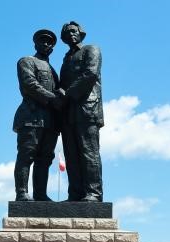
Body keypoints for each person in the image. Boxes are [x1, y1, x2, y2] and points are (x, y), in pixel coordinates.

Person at [13, 29, 60, 201]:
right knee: (27, 155)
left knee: (45, 158)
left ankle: (40, 194)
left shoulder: (54, 70)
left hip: (50, 122)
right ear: (35, 43)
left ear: (53, 48)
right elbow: (29, 85)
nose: (46, 44)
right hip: (31, 117)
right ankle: (22, 193)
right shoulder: (27, 61)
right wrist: (53, 98)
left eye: (49, 42)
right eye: (42, 41)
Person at [58, 21, 104, 202]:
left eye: (73, 31)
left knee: (89, 152)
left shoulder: (91, 50)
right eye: (67, 32)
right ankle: (75, 194)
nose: (71, 34)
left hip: (87, 109)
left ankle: (94, 193)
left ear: (81, 33)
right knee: (71, 155)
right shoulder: (66, 59)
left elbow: (90, 74)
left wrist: (66, 94)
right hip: (68, 113)